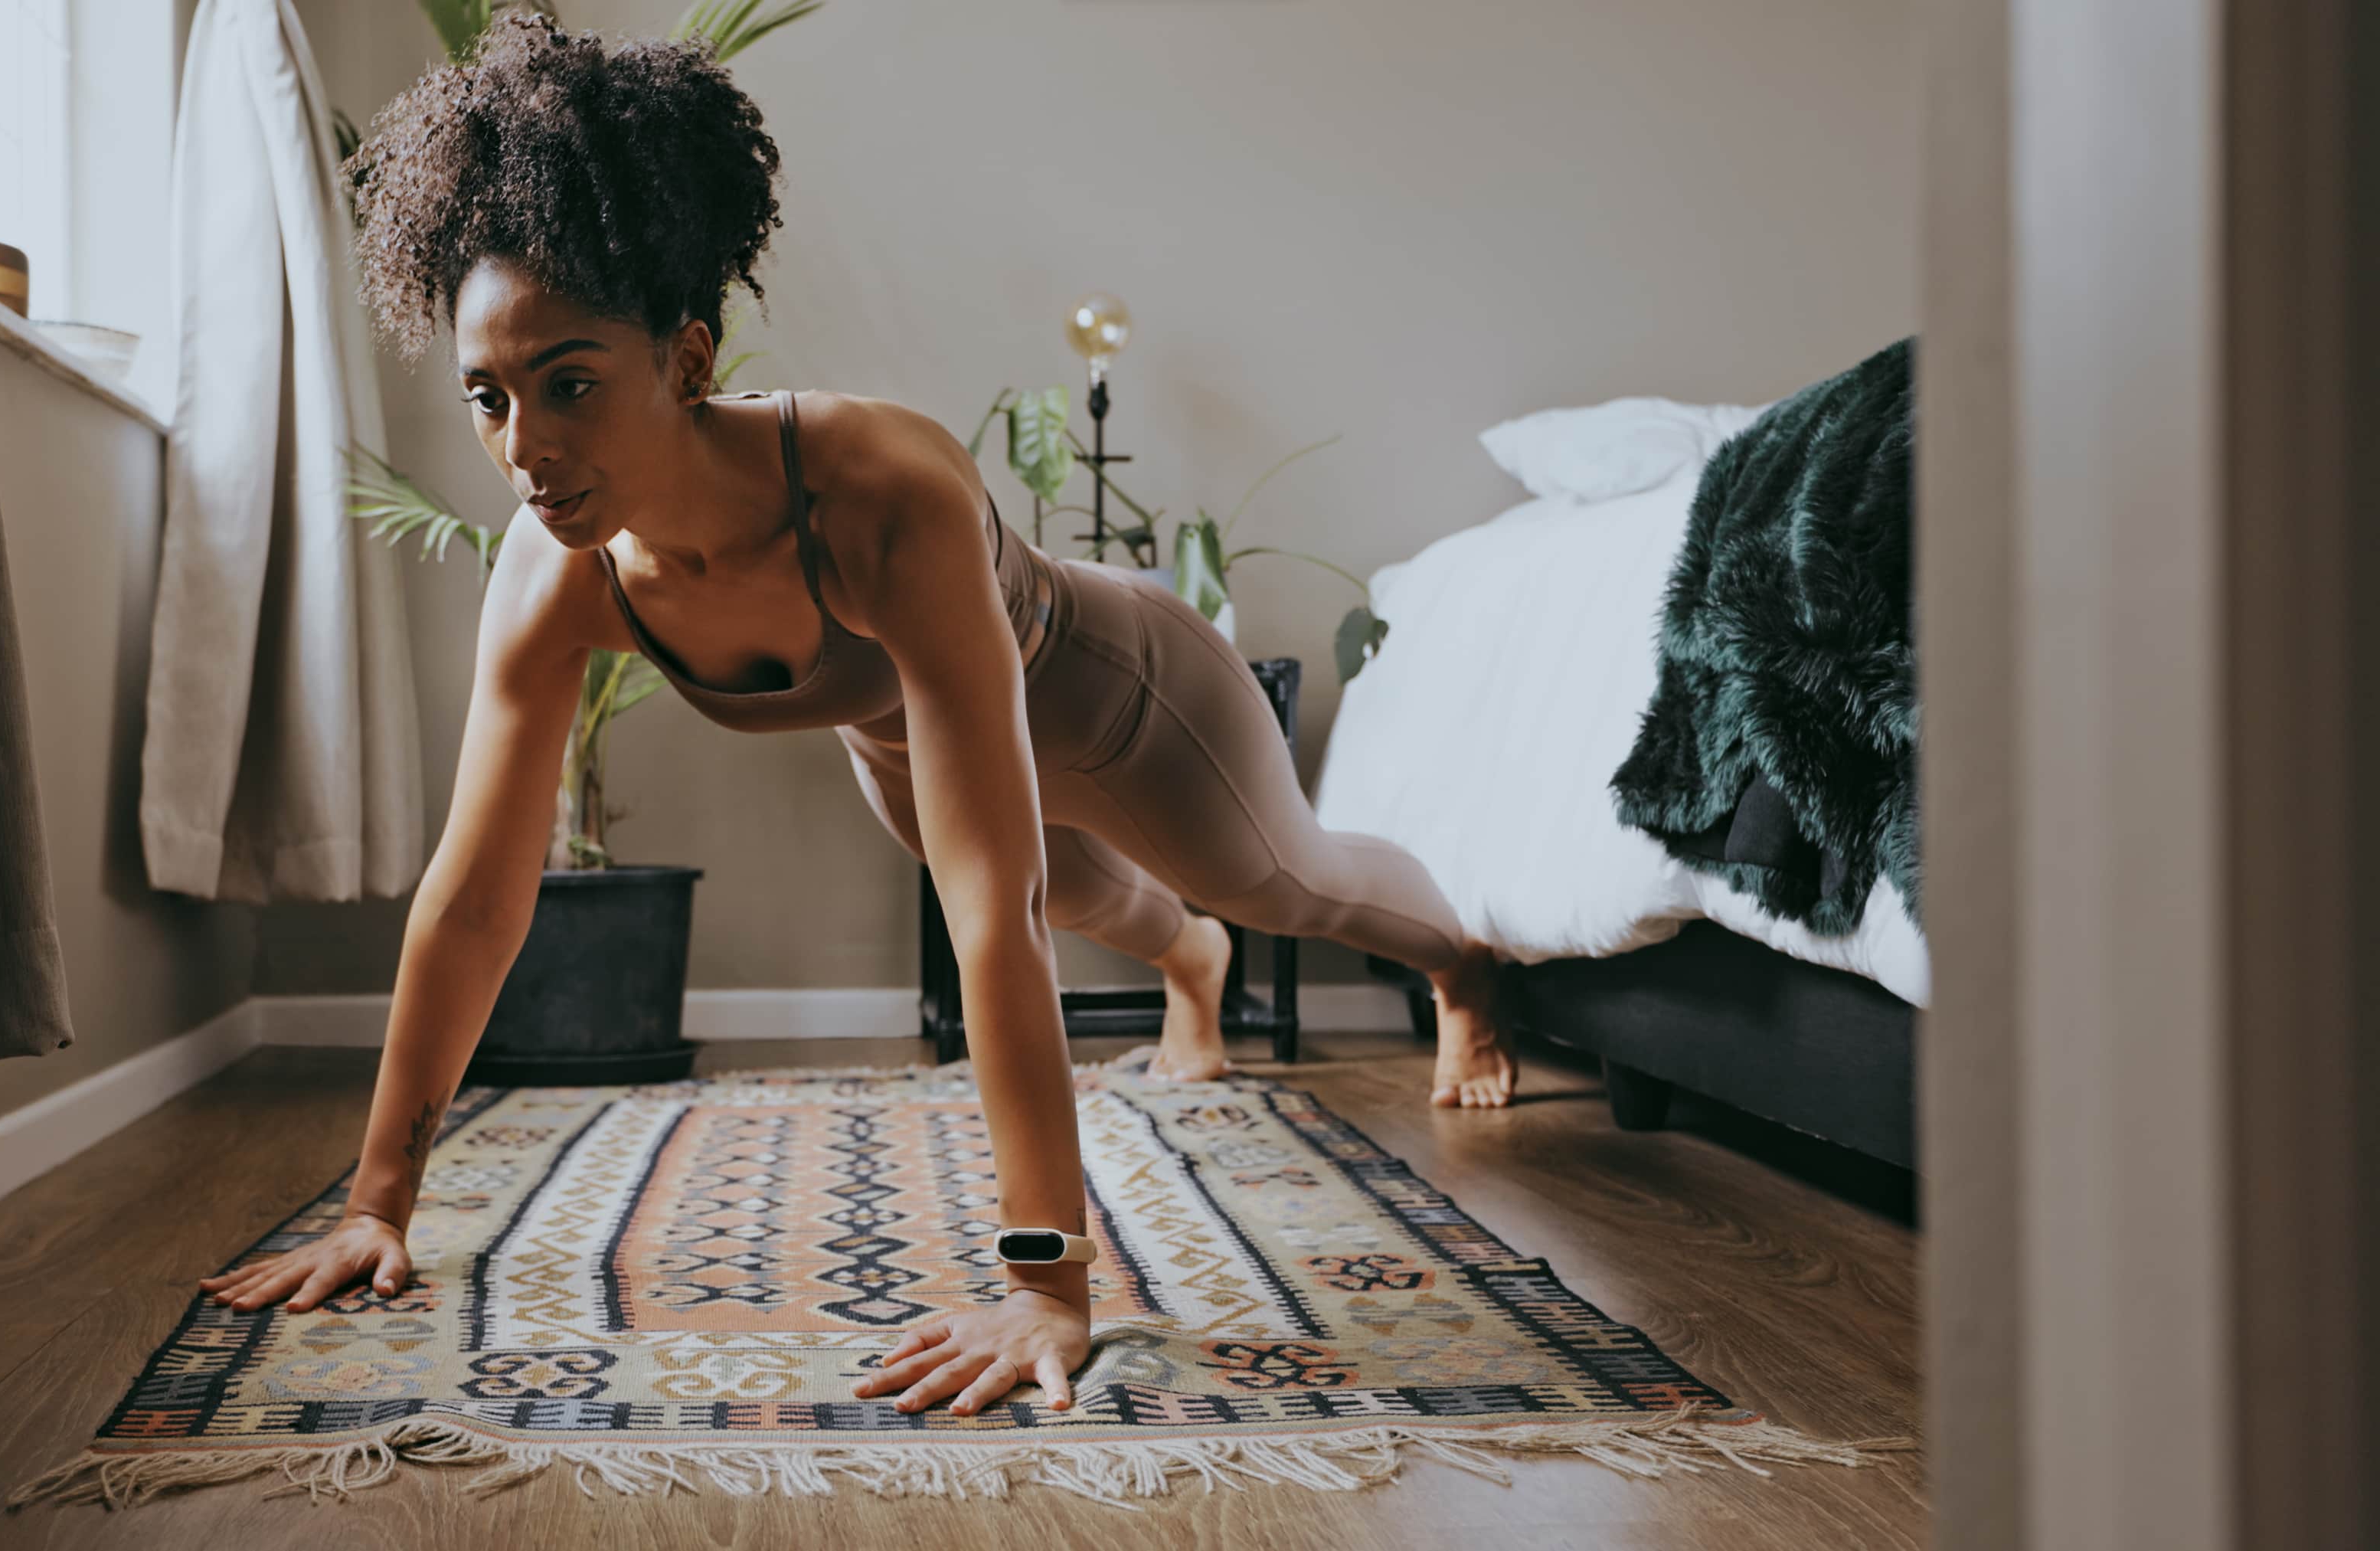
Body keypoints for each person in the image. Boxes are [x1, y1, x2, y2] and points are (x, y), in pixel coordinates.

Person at [198, 16, 1510, 1419]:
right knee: (1098, 902)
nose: (525, 447)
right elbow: (474, 901)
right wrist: (376, 1202)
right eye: (489, 396)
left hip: (1128, 701)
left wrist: (1047, 1282)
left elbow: (987, 918)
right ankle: (1193, 962)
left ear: (686, 361)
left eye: (569, 383)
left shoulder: (881, 494)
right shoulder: (554, 575)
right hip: (907, 749)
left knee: (1282, 881)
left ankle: (1466, 966)